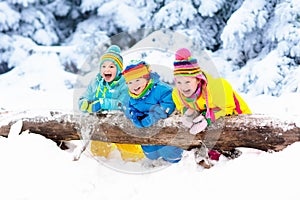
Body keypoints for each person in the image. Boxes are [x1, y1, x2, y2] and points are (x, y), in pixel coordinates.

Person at [172, 48, 252, 161]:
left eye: (187, 82)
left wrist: (207, 119)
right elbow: (182, 107)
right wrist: (189, 113)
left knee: (218, 148)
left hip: (237, 118)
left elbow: (227, 109)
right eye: (179, 82)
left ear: (198, 80)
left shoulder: (217, 88)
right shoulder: (177, 93)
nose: (183, 87)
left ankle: (227, 155)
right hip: (210, 124)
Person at [78, 45, 144, 162]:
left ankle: (138, 163)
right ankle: (102, 168)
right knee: (98, 152)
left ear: (118, 69)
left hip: (122, 125)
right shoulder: (96, 82)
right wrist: (85, 104)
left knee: (131, 153)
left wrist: (102, 103)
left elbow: (123, 104)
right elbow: (84, 97)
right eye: (103, 66)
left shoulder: (125, 83)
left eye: (111, 66)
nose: (106, 70)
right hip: (101, 125)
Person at [122, 60, 183, 163]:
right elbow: (128, 108)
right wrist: (135, 117)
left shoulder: (161, 89)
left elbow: (168, 104)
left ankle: (174, 161)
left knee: (168, 148)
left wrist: (152, 117)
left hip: (165, 123)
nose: (134, 85)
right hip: (147, 128)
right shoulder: (130, 96)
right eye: (130, 82)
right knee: (149, 149)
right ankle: (155, 160)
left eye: (137, 80)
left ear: (147, 78)